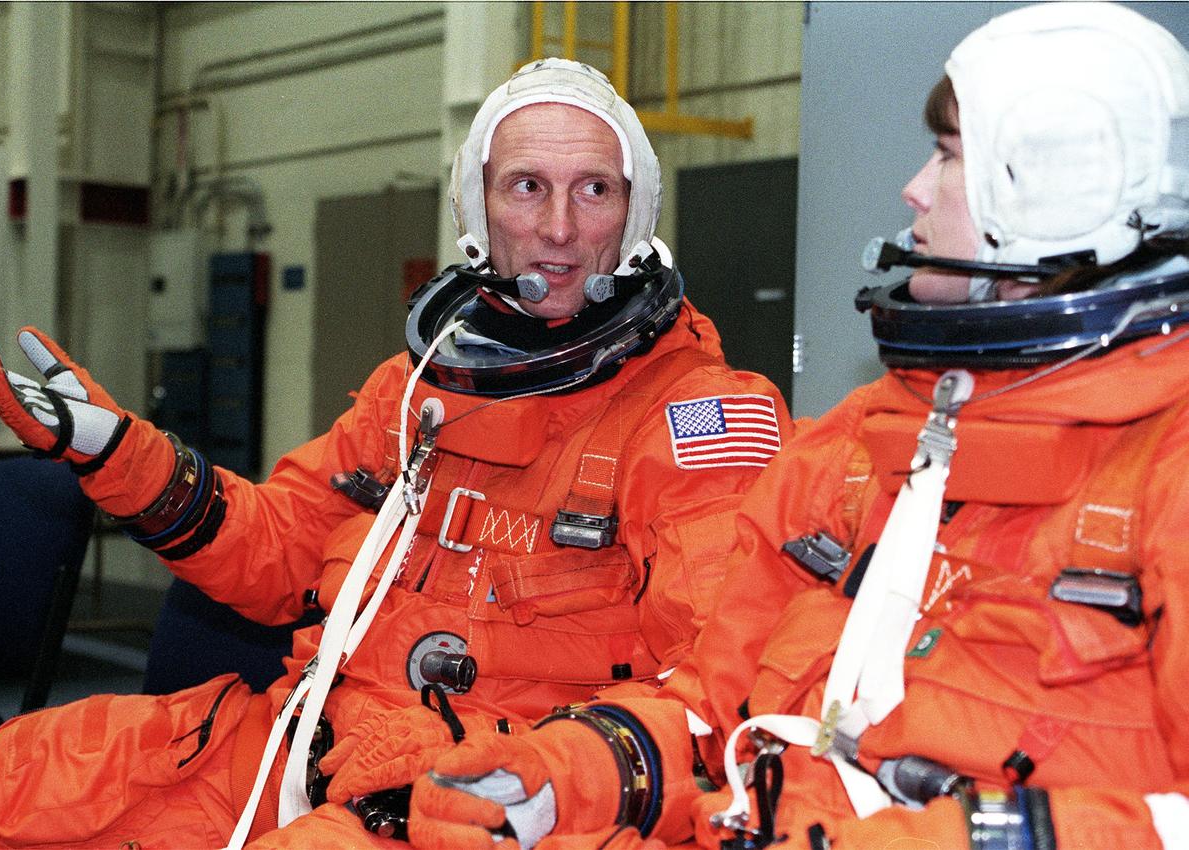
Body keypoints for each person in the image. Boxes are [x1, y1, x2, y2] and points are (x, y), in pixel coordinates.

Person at [0, 58, 794, 849]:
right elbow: (279, 549)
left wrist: (554, 777)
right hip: (295, 744)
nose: (560, 227)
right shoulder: (413, 393)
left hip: (474, 798)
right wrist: (122, 456)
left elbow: (730, 688)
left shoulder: (697, 421)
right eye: (526, 186)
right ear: (476, 211)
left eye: (594, 190)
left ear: (635, 216)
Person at [406, 5, 1189, 849]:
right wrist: (578, 772)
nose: (915, 189)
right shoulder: (858, 447)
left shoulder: (1162, 472)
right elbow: (715, 707)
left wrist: (976, 838)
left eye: (950, 156)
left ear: (1057, 190)